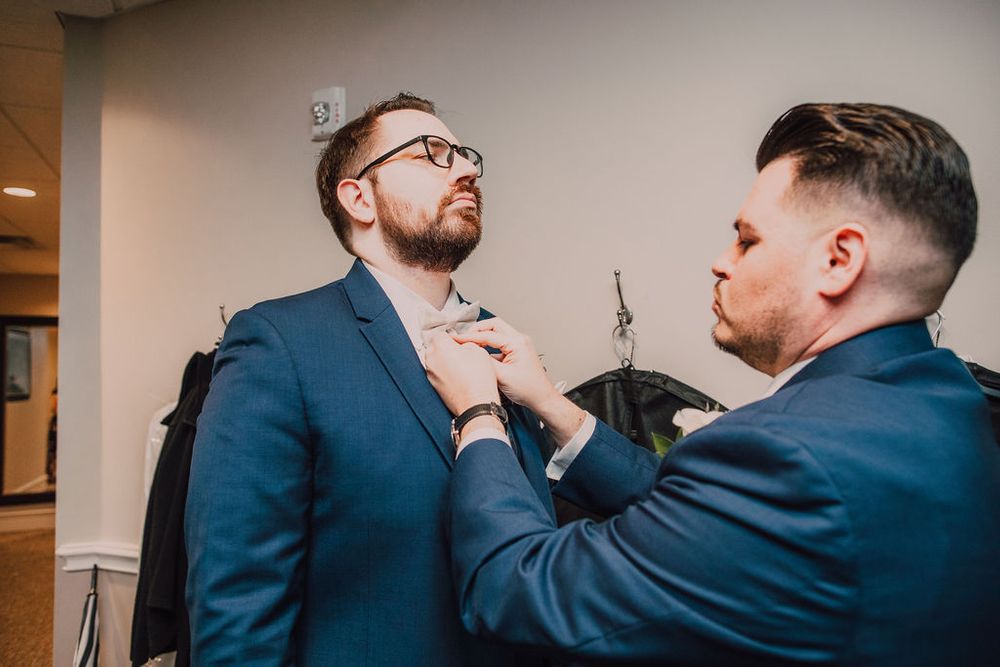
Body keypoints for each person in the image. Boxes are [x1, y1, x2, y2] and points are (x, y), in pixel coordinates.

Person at [425, 103, 1000, 665]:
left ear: (840, 259)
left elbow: (515, 590)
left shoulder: (788, 455)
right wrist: (552, 405)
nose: (721, 262)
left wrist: (479, 415)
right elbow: (701, 521)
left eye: (748, 240)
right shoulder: (947, 399)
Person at [184, 92, 555, 665]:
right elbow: (237, 602)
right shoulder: (279, 343)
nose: (467, 169)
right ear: (359, 198)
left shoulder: (501, 344)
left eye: (464, 154)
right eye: (431, 153)